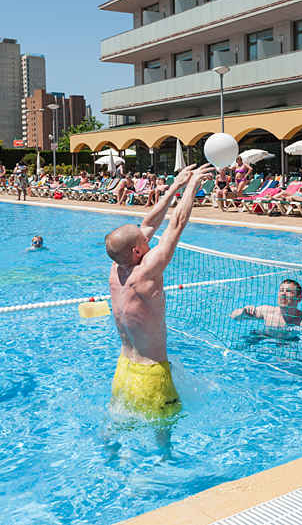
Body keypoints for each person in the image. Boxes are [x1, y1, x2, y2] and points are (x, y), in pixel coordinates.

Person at [105, 163, 214, 418]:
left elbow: (148, 223)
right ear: (137, 251)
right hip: (152, 376)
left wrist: (175, 185)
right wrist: (192, 187)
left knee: (116, 428)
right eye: (145, 242)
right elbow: (176, 224)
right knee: (164, 443)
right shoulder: (145, 272)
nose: (148, 239)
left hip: (123, 371)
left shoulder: (116, 267)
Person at [230, 279, 302, 330]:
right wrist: (243, 311)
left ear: (299, 298)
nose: (283, 294)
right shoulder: (266, 311)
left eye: (288, 291)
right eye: (281, 291)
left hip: (290, 345)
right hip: (262, 339)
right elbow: (234, 317)